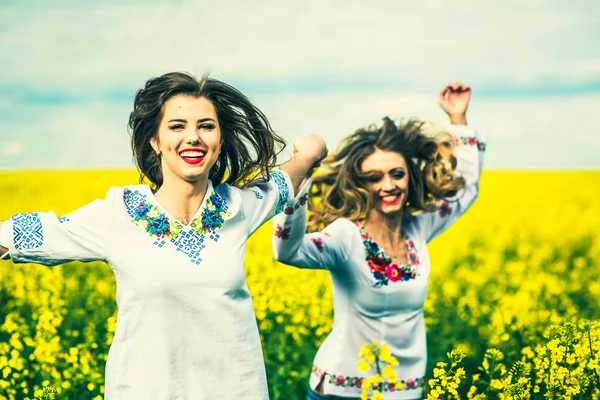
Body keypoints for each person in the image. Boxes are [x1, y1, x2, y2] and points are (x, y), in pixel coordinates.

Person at [0, 72, 327, 399]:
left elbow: (290, 176)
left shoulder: (239, 206)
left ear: (220, 140)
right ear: (155, 141)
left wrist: (312, 150)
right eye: (177, 126)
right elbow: (24, 235)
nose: (193, 137)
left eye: (206, 126)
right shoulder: (121, 212)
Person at [272, 82, 485, 400]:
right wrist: (301, 179)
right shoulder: (345, 236)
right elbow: (288, 251)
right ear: (360, 185)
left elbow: (465, 191)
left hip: (404, 393)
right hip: (341, 392)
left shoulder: (418, 229)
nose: (389, 185)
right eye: (375, 178)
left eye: (397, 174)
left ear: (409, 178)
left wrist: (458, 118)